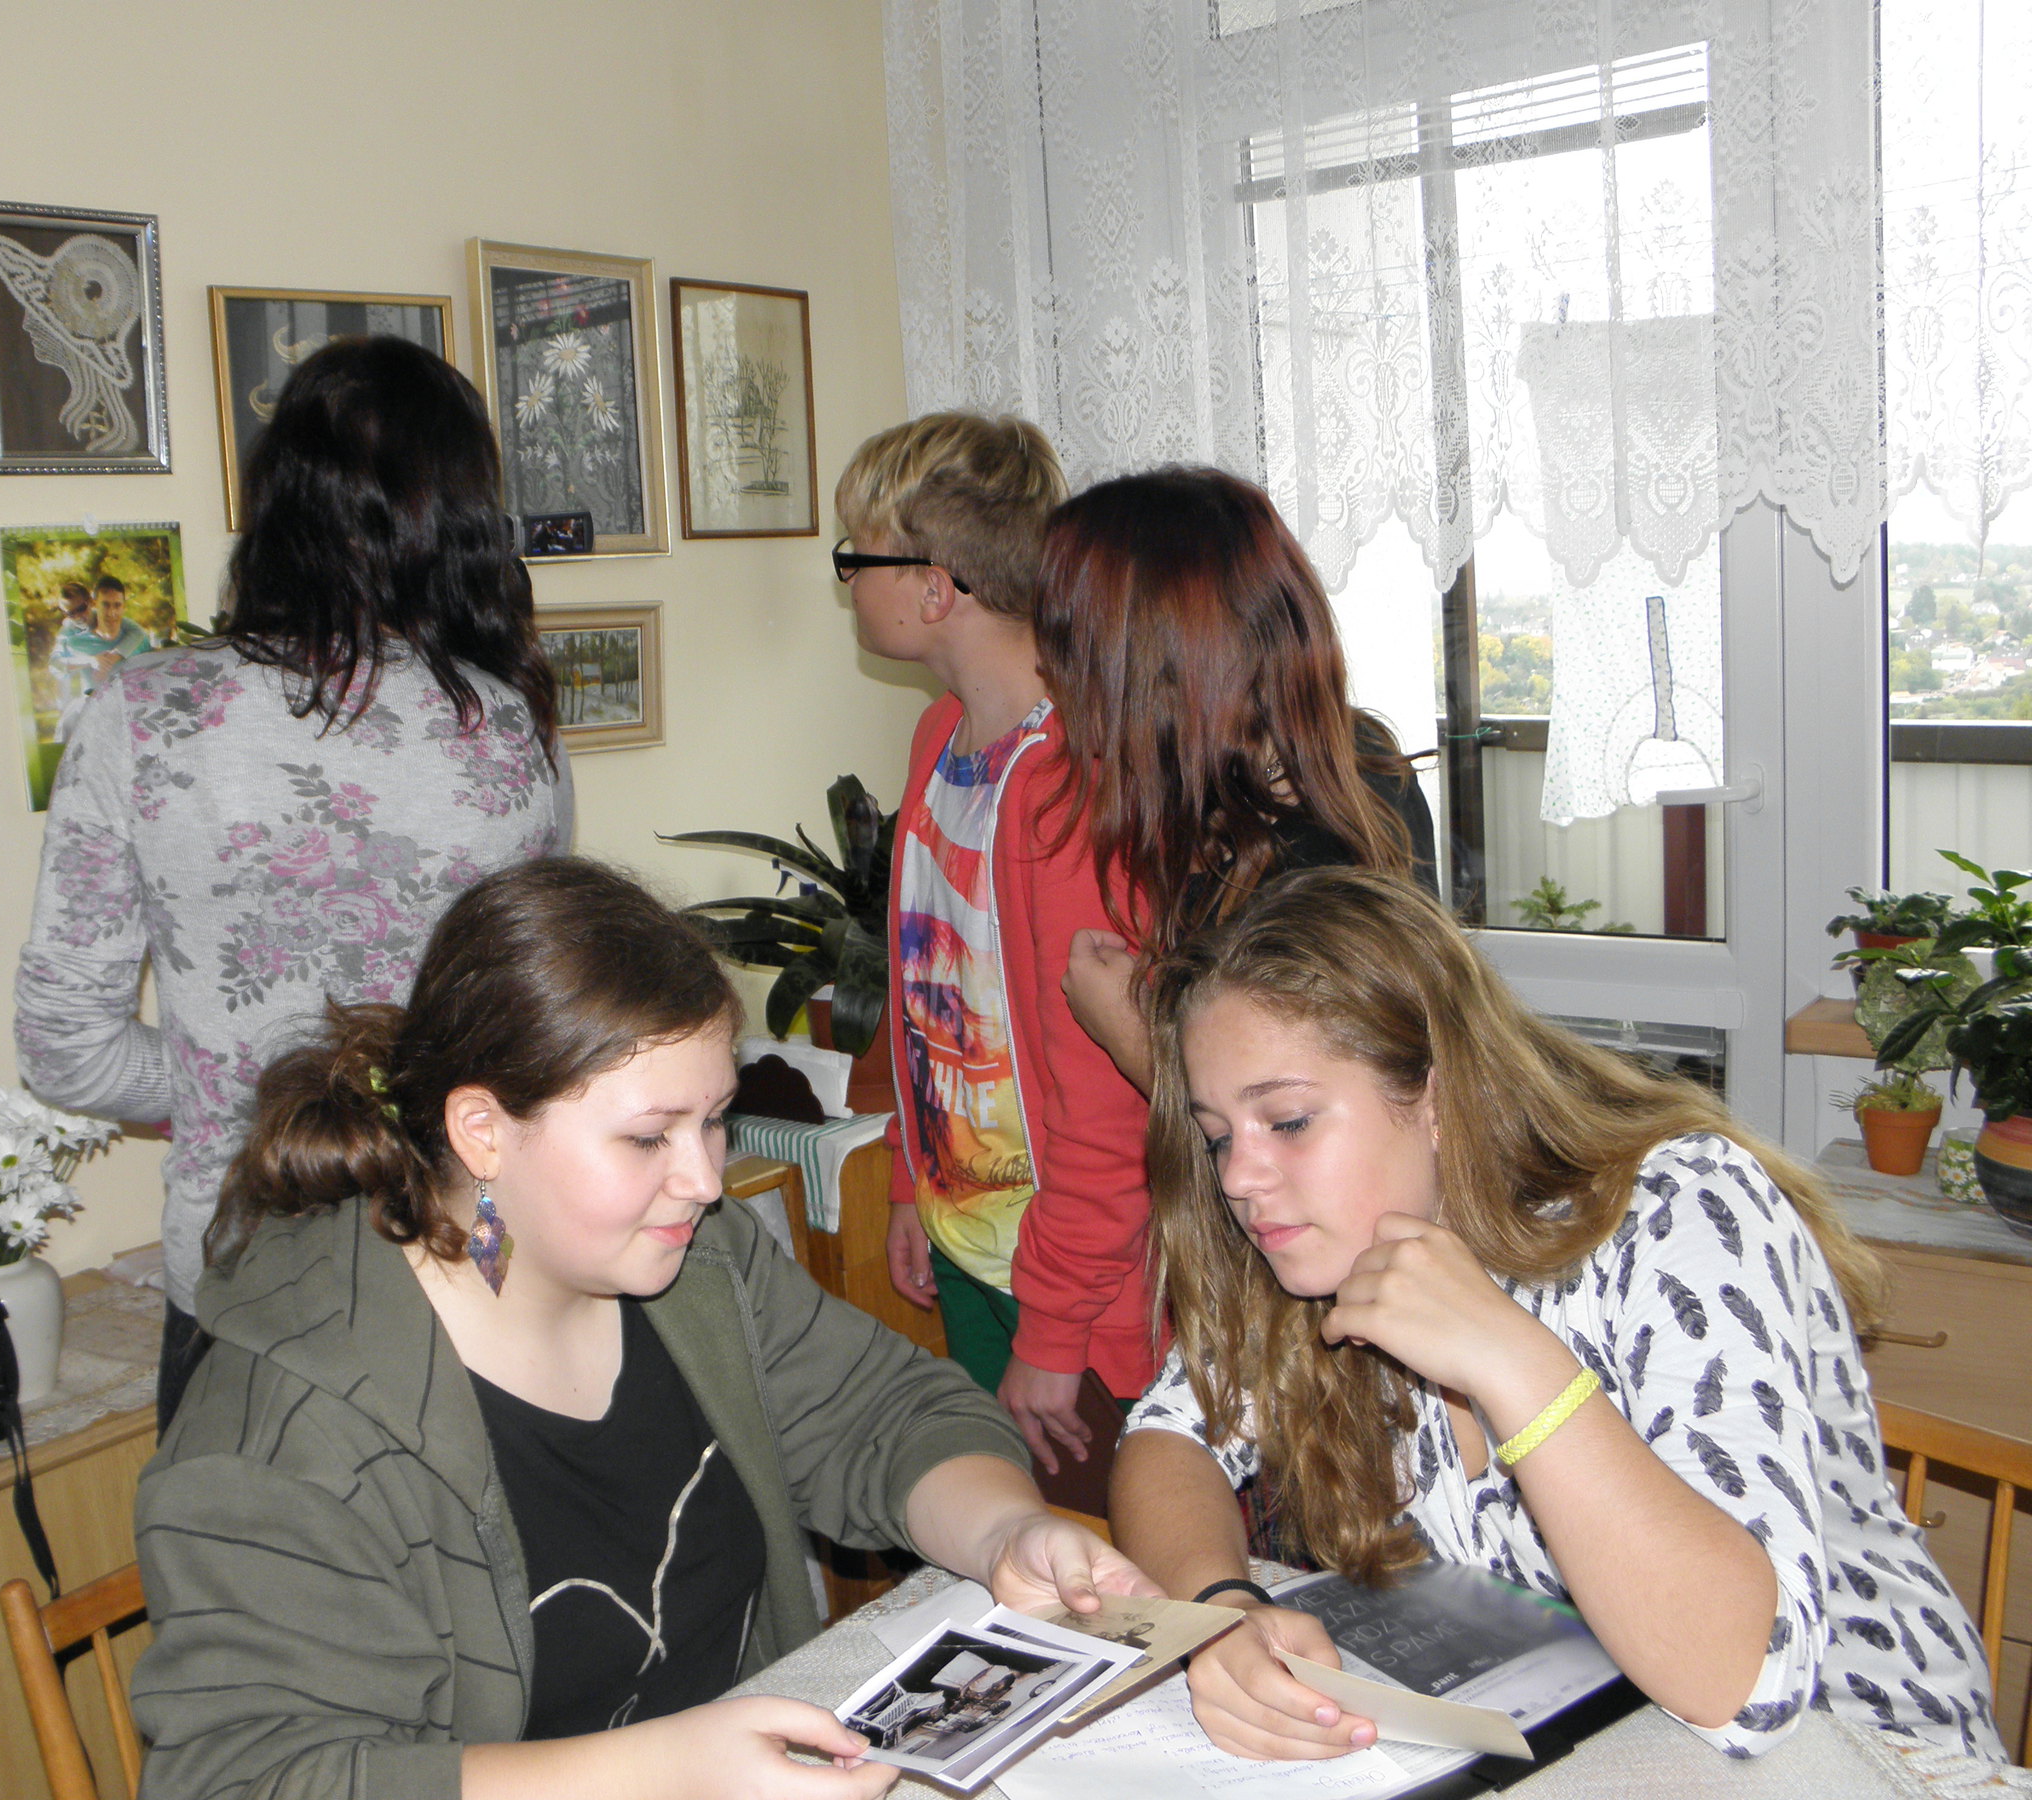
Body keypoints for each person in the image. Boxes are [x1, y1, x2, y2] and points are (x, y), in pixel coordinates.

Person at [131, 859, 1155, 1800]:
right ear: (482, 1132)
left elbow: (885, 1413)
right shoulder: (291, 1427)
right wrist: (665, 1771)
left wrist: (1004, 1532)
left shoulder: (694, 1268)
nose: (705, 1180)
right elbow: (248, 1782)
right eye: (647, 1137)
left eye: (712, 1119)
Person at [1109, 866, 2001, 1763]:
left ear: (1439, 1100)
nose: (1238, 1178)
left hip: (1868, 1748)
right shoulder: (1319, 1252)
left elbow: (1746, 1684)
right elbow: (1168, 1438)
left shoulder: (1680, 1208)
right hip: (1614, 1733)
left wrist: (1511, 1361)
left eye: (1290, 1121)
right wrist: (1219, 1609)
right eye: (1218, 1136)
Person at [14, 336, 572, 1429]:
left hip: (244, 1272)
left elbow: (64, 1047)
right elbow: (536, 1016)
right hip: (470, 1254)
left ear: (276, 501)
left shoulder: (142, 714)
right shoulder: (507, 725)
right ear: (461, 515)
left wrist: (238, 1091)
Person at [833, 412, 1159, 1473]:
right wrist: (909, 1184)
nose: (846, 582)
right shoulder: (938, 738)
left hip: (1077, 1291)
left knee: (1099, 1550)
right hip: (971, 1244)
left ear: (935, 590)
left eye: (856, 559)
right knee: (1009, 1529)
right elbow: (924, 992)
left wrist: (1056, 1332)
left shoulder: (1066, 787)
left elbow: (1109, 1097)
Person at [1033, 466, 1436, 1098]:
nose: (1045, 664)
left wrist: (1126, 1033)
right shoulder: (1340, 758)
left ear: (1155, 665)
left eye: (1069, 643)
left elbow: (1285, 1123)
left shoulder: (1313, 877)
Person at [48, 575, 154, 741]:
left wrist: (113, 657)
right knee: (71, 721)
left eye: (81, 608)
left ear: (91, 602)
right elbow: (55, 664)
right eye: (71, 613)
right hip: (94, 701)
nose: (78, 616)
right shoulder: (70, 632)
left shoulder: (113, 618)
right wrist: (91, 660)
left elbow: (138, 633)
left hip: (129, 703)